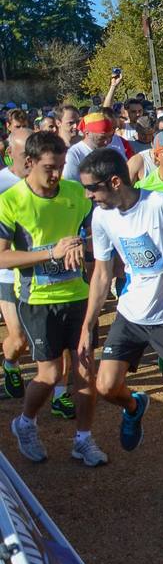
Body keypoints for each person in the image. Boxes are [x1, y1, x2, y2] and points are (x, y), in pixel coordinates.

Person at [77, 148, 163, 506]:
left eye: (92, 188)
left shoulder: (161, 206)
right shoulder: (102, 217)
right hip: (131, 313)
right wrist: (87, 325)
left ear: (115, 181)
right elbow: (102, 273)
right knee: (106, 386)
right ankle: (135, 406)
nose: (88, 196)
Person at [0, 131, 104, 467]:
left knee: (86, 369)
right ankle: (26, 423)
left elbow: (93, 239)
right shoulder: (10, 201)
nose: (57, 174)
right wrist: (51, 253)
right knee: (50, 373)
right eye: (49, 167)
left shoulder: (76, 193)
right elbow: (2, 258)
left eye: (60, 165)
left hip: (78, 295)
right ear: (29, 163)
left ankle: (84, 439)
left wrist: (84, 250)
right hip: (38, 299)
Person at [0, 129, 30, 400]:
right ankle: (10, 363)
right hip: (7, 274)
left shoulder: (45, 181)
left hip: (41, 274)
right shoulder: (1, 184)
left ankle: (58, 393)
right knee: (19, 340)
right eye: (25, 154)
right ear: (9, 154)